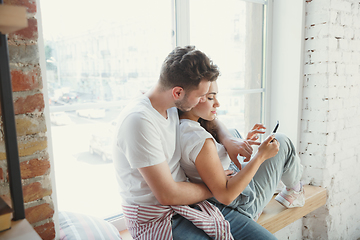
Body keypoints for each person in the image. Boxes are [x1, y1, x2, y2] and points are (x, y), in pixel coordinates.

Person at [113, 46, 277, 240]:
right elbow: (167, 195)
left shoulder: (171, 101)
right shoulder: (139, 122)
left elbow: (210, 118)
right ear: (177, 92)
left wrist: (228, 138)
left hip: (191, 202)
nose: (202, 101)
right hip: (158, 217)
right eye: (201, 96)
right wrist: (217, 187)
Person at [178, 80, 305, 227]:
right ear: (193, 98)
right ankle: (295, 189)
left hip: (231, 190)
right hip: (244, 204)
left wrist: (237, 141)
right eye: (210, 97)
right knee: (282, 141)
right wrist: (260, 156)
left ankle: (284, 179)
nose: (217, 103)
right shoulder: (199, 139)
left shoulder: (184, 124)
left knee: (233, 132)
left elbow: (217, 126)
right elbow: (226, 195)